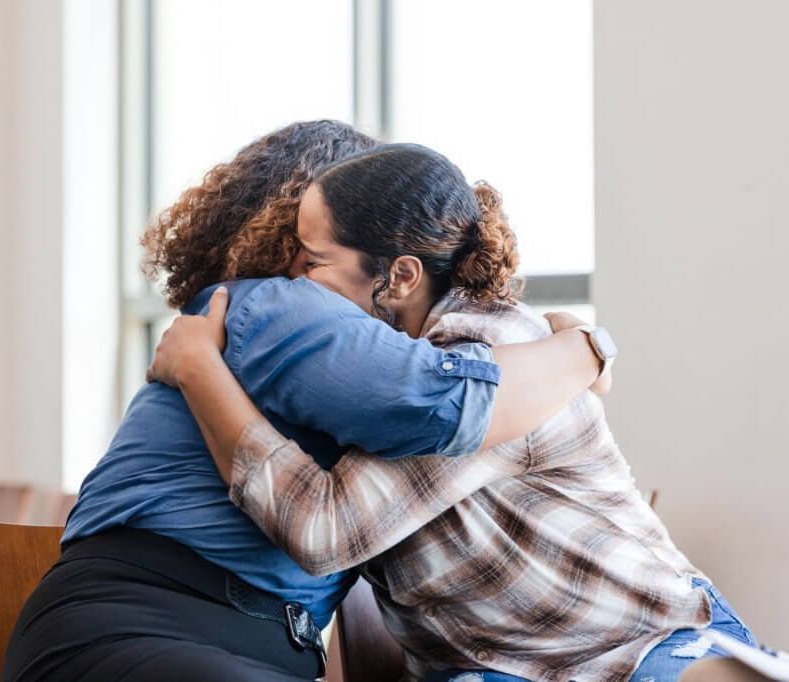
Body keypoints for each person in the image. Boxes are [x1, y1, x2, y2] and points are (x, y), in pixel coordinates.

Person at [1, 123, 610, 682]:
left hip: (205, 636)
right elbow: (446, 401)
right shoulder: (282, 306)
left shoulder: (281, 319)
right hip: (141, 625)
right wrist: (587, 350)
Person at [146, 143, 760, 681]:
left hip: (634, 645)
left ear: (402, 276)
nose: (293, 282)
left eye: (312, 261)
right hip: (501, 666)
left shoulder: (477, 372)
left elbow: (323, 529)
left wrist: (201, 371)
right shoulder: (388, 371)